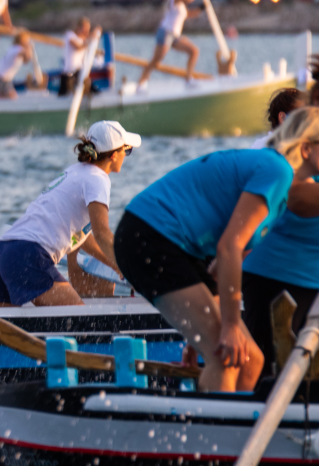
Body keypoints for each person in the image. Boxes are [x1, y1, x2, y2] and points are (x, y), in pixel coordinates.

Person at [114, 140, 298, 392]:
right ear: (306, 150)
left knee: (250, 360)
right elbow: (228, 249)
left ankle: (231, 417)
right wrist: (229, 328)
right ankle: (209, 417)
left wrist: (197, 336)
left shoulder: (278, 201)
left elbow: (217, 270)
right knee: (225, 357)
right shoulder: (277, 171)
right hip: (148, 235)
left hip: (180, 248)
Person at [0, 121, 140, 308]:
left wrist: (115, 266)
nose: (126, 155)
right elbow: (102, 233)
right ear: (113, 155)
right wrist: (131, 270)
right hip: (28, 255)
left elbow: (82, 239)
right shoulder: (98, 179)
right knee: (79, 319)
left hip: (2, 251)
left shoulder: (73, 172)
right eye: (127, 150)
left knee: (2, 327)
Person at [238, 108, 319, 377]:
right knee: (272, 377)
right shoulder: (289, 161)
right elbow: (296, 196)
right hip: (275, 279)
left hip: (309, 280)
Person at [137, 0, 205, 91]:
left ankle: (189, 79)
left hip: (175, 36)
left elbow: (187, 15)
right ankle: (141, 83)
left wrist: (201, 9)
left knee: (194, 51)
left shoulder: (181, 5)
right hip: (166, 33)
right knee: (156, 61)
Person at [0, 32, 32, 99]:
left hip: (7, 79)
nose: (28, 42)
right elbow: (26, 56)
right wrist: (28, 48)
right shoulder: (17, 48)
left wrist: (28, 49)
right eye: (27, 40)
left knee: (12, 96)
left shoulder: (16, 48)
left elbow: (26, 61)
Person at [59, 18, 98, 97]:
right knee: (63, 95)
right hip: (69, 73)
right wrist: (90, 40)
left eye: (88, 30)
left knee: (92, 88)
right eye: (85, 29)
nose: (86, 31)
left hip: (79, 72)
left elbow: (88, 39)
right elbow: (78, 47)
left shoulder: (83, 39)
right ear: (79, 28)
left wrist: (95, 33)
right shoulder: (70, 35)